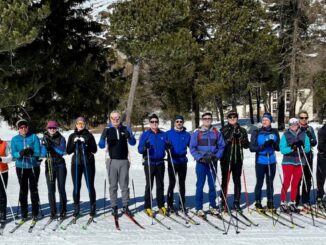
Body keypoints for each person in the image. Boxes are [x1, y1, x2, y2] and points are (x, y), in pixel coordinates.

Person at [98, 110, 136, 217]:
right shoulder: (107, 129)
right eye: (113, 118)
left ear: (121, 119)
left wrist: (130, 136)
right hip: (111, 161)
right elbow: (100, 145)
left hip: (124, 160)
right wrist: (103, 137)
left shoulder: (125, 128)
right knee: (113, 185)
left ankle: (125, 206)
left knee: (124, 185)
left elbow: (133, 143)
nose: (116, 120)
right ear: (110, 119)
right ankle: (114, 206)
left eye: (118, 118)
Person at [190, 112, 225, 217]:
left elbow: (221, 146)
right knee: (200, 185)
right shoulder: (197, 132)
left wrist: (216, 156)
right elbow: (192, 148)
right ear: (202, 120)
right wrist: (200, 158)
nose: (207, 120)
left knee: (212, 185)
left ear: (211, 120)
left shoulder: (216, 132)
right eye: (205, 119)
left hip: (213, 162)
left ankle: (213, 206)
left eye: (209, 118)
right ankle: (199, 208)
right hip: (202, 163)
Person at [66, 117, 97, 218]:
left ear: (85, 124)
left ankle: (92, 207)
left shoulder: (89, 135)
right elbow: (68, 151)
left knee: (90, 185)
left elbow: (94, 149)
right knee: (76, 186)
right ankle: (76, 208)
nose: (81, 125)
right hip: (76, 164)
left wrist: (87, 143)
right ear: (76, 125)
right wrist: (74, 143)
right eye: (79, 123)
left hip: (88, 163)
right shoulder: (72, 136)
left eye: (82, 123)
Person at [11, 119, 41, 221]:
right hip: (21, 167)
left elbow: (38, 151)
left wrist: (32, 152)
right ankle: (24, 213)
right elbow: (13, 154)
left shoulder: (33, 137)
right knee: (23, 190)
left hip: (33, 167)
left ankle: (35, 212)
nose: (23, 129)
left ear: (28, 128)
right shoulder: (15, 139)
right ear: (18, 129)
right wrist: (20, 153)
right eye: (21, 127)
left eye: (25, 127)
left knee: (33, 189)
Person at [138, 113, 168, 217]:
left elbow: (168, 146)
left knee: (160, 185)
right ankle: (148, 206)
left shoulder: (163, 135)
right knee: (149, 185)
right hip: (149, 163)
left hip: (160, 163)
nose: (154, 123)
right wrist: (144, 147)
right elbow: (139, 149)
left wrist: (169, 146)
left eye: (156, 122)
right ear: (149, 123)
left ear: (158, 123)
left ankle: (161, 205)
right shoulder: (145, 135)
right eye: (152, 122)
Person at [279, 118, 311, 213]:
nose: (293, 126)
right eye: (291, 124)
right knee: (287, 181)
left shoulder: (304, 134)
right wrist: (292, 148)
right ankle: (283, 202)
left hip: (300, 162)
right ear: (289, 125)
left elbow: (308, 149)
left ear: (298, 124)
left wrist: (302, 146)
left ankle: (292, 202)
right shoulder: (285, 135)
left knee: (295, 183)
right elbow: (283, 150)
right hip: (288, 162)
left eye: (295, 124)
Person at [250, 112, 280, 211]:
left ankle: (270, 202)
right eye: (263, 120)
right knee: (259, 182)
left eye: (266, 120)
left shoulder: (274, 132)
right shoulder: (256, 132)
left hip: (271, 161)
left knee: (270, 182)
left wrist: (273, 144)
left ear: (270, 121)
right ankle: (258, 202)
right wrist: (263, 146)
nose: (264, 121)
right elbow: (252, 148)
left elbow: (278, 148)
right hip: (260, 161)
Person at [220, 110, 249, 211]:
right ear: (227, 119)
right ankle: (223, 201)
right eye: (230, 117)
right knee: (225, 181)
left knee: (237, 181)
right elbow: (221, 143)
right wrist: (230, 136)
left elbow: (246, 146)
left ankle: (236, 201)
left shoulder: (242, 130)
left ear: (237, 118)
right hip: (226, 159)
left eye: (234, 117)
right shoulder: (223, 129)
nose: (232, 119)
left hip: (238, 159)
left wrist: (241, 138)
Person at [40, 120, 67, 219]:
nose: (52, 129)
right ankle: (53, 211)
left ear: (57, 128)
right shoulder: (44, 138)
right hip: (50, 165)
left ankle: (63, 210)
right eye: (50, 128)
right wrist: (45, 146)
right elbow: (42, 153)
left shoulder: (61, 138)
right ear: (47, 128)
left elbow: (61, 151)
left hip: (60, 165)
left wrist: (52, 145)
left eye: (54, 128)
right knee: (51, 190)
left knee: (61, 188)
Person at [166, 115, 191, 213]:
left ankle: (182, 204)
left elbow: (192, 146)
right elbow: (163, 145)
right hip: (172, 161)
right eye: (177, 121)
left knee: (182, 183)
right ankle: (170, 204)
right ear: (174, 122)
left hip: (182, 161)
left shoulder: (187, 134)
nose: (179, 123)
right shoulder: (168, 133)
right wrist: (166, 146)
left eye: (181, 121)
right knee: (172, 183)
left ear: (183, 122)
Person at [295, 111, 317, 208]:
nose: (304, 119)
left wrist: (309, 136)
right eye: (301, 117)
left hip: (308, 156)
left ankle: (305, 200)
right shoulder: (295, 127)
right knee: (298, 178)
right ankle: (295, 200)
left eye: (305, 118)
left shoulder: (310, 129)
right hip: (298, 156)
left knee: (307, 179)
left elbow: (314, 142)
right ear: (298, 118)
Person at [0, 138, 12, 225]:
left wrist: (1, 159)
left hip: (2, 171)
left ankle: (3, 213)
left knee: (2, 193)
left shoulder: (4, 143)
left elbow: (10, 157)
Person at [316, 123, 326, 209]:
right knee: (321, 177)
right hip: (323, 157)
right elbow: (321, 146)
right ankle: (320, 197)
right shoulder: (322, 130)